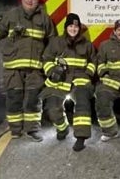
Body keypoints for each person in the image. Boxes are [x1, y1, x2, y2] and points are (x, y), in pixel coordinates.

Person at [0, 0, 56, 141]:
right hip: (13, 67)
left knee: (33, 100)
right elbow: (0, 34)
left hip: (35, 68)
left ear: (38, 2)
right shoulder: (11, 15)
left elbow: (52, 42)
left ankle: (32, 130)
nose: (30, 1)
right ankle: (16, 129)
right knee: (14, 98)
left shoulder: (44, 19)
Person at [41, 13, 96, 152]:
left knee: (83, 105)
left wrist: (88, 73)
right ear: (66, 28)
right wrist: (52, 71)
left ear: (79, 28)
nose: (73, 29)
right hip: (59, 81)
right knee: (52, 108)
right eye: (70, 26)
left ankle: (81, 137)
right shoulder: (55, 42)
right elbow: (46, 58)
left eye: (76, 26)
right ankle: (62, 128)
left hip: (80, 81)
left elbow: (94, 61)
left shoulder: (87, 44)